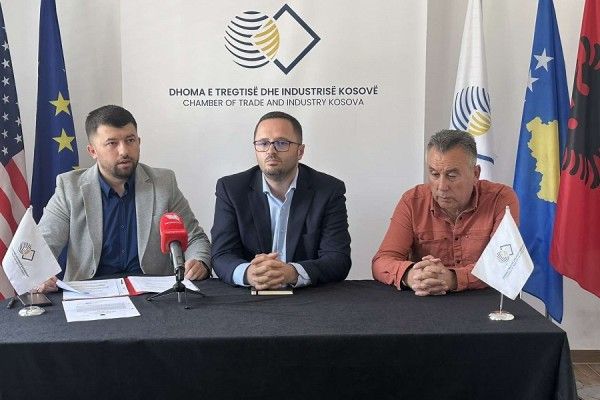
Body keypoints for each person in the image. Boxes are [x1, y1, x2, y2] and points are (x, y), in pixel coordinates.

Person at [36, 105, 211, 292]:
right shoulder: (70, 187)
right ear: (92, 151)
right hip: (90, 294)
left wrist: (198, 261)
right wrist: (38, 274)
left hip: (151, 294)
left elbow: (195, 238)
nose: (124, 151)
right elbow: (42, 246)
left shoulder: (163, 183)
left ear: (139, 142)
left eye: (130, 140)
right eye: (112, 143)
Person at [211, 111, 351, 289]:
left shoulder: (328, 190)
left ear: (300, 151)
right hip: (249, 296)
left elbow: (338, 259)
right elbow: (221, 254)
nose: (271, 151)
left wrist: (292, 272)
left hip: (308, 297)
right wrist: (248, 273)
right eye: (263, 143)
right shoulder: (231, 189)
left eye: (281, 143)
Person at [372, 129, 519, 296]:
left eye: (452, 175)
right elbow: (381, 261)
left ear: (475, 174)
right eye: (435, 174)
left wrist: (452, 278)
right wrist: (411, 275)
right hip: (425, 300)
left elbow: (503, 264)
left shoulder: (501, 199)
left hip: (485, 301)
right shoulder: (412, 201)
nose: (441, 186)